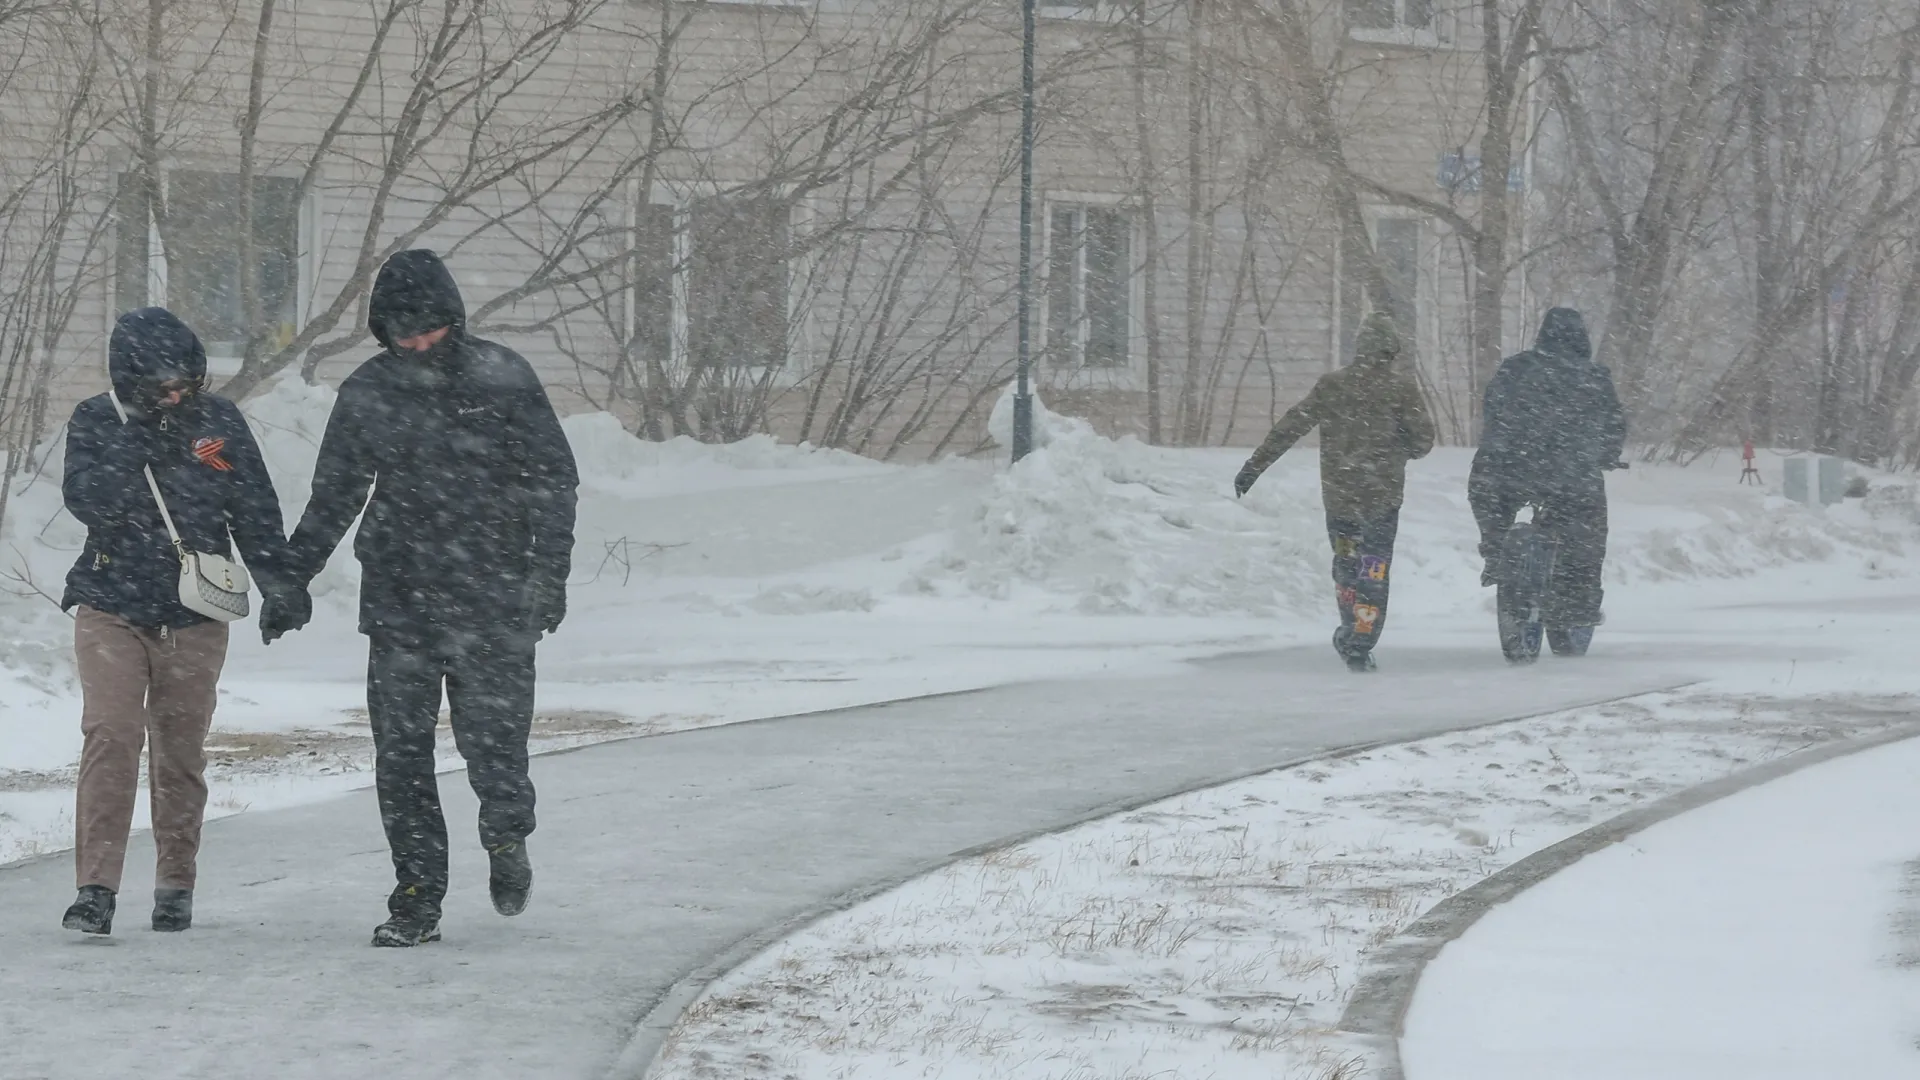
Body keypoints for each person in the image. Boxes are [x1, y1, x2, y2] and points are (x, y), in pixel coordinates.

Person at [282, 249, 578, 948]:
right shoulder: (369, 392)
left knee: (495, 751)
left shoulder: (502, 377)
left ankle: (506, 835)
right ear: (381, 330)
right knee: (402, 756)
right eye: (400, 331)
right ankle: (416, 895)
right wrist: (291, 575)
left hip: (495, 598)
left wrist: (549, 575)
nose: (415, 342)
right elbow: (335, 495)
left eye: (428, 328)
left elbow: (553, 481)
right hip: (401, 601)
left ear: (453, 319)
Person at [59, 308, 310, 936]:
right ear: (130, 380)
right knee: (111, 737)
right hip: (111, 603)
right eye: (161, 386)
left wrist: (281, 585)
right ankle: (95, 889)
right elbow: (86, 501)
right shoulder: (97, 420)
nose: (175, 395)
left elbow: (253, 506)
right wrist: (137, 439)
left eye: (185, 384)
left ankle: (176, 881)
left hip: (195, 612)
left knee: (180, 751)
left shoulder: (218, 424)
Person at [1235, 311, 1436, 672]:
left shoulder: (1332, 386)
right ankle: (1362, 636)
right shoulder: (1401, 390)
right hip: (1382, 503)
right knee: (1373, 569)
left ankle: (1350, 626)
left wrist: (1254, 466)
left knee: (1346, 564)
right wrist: (1398, 445)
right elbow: (1423, 443)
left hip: (1341, 502)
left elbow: (1291, 425)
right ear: (1392, 350)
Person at [1468, 307, 1627, 642]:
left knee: (1486, 494)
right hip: (1570, 475)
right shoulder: (1595, 377)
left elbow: (1492, 409)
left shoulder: (1514, 369)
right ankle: (1576, 604)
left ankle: (1497, 550)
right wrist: (1607, 455)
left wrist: (1505, 443)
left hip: (1507, 468)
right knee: (1586, 533)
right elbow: (1614, 426)